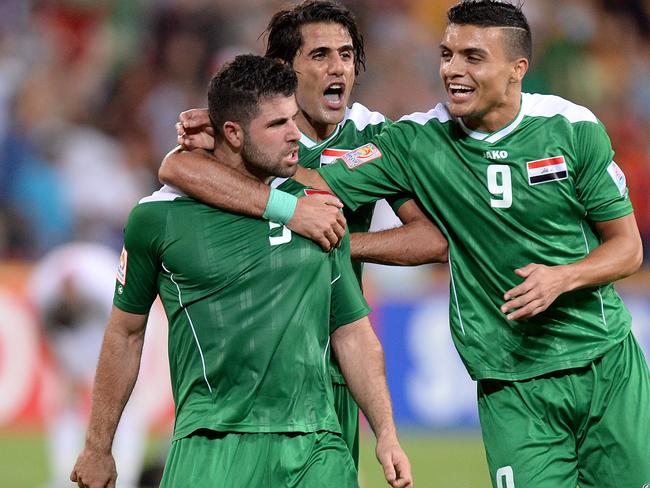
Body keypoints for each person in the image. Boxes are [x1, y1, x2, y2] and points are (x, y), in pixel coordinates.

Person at [163, 1, 649, 486]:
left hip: (605, 361)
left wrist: (562, 277)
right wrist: (232, 140)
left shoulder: (571, 127)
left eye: (471, 57)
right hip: (510, 380)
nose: (452, 70)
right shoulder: (416, 141)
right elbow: (291, 177)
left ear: (517, 68)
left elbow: (627, 249)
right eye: (446, 54)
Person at [70, 54, 412, 488]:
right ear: (231, 133)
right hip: (212, 443)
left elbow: (351, 331)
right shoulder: (157, 219)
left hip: (316, 445)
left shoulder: (319, 209)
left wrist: (386, 433)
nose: (295, 136)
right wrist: (98, 447)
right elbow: (125, 332)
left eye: (294, 119)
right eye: (277, 126)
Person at [158, 0, 448, 468]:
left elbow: (433, 239)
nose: (339, 67)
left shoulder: (374, 137)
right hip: (245, 364)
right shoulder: (248, 134)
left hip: (333, 361)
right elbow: (176, 167)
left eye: (347, 54)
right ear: (283, 69)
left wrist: (337, 241)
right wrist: (286, 207)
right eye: (320, 55)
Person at [29, 242, 147, 488]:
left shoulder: (104, 280)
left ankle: (127, 477)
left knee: (123, 400)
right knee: (63, 401)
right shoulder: (41, 288)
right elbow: (46, 331)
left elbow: (125, 331)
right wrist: (65, 370)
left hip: (116, 324)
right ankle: (63, 476)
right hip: (75, 332)